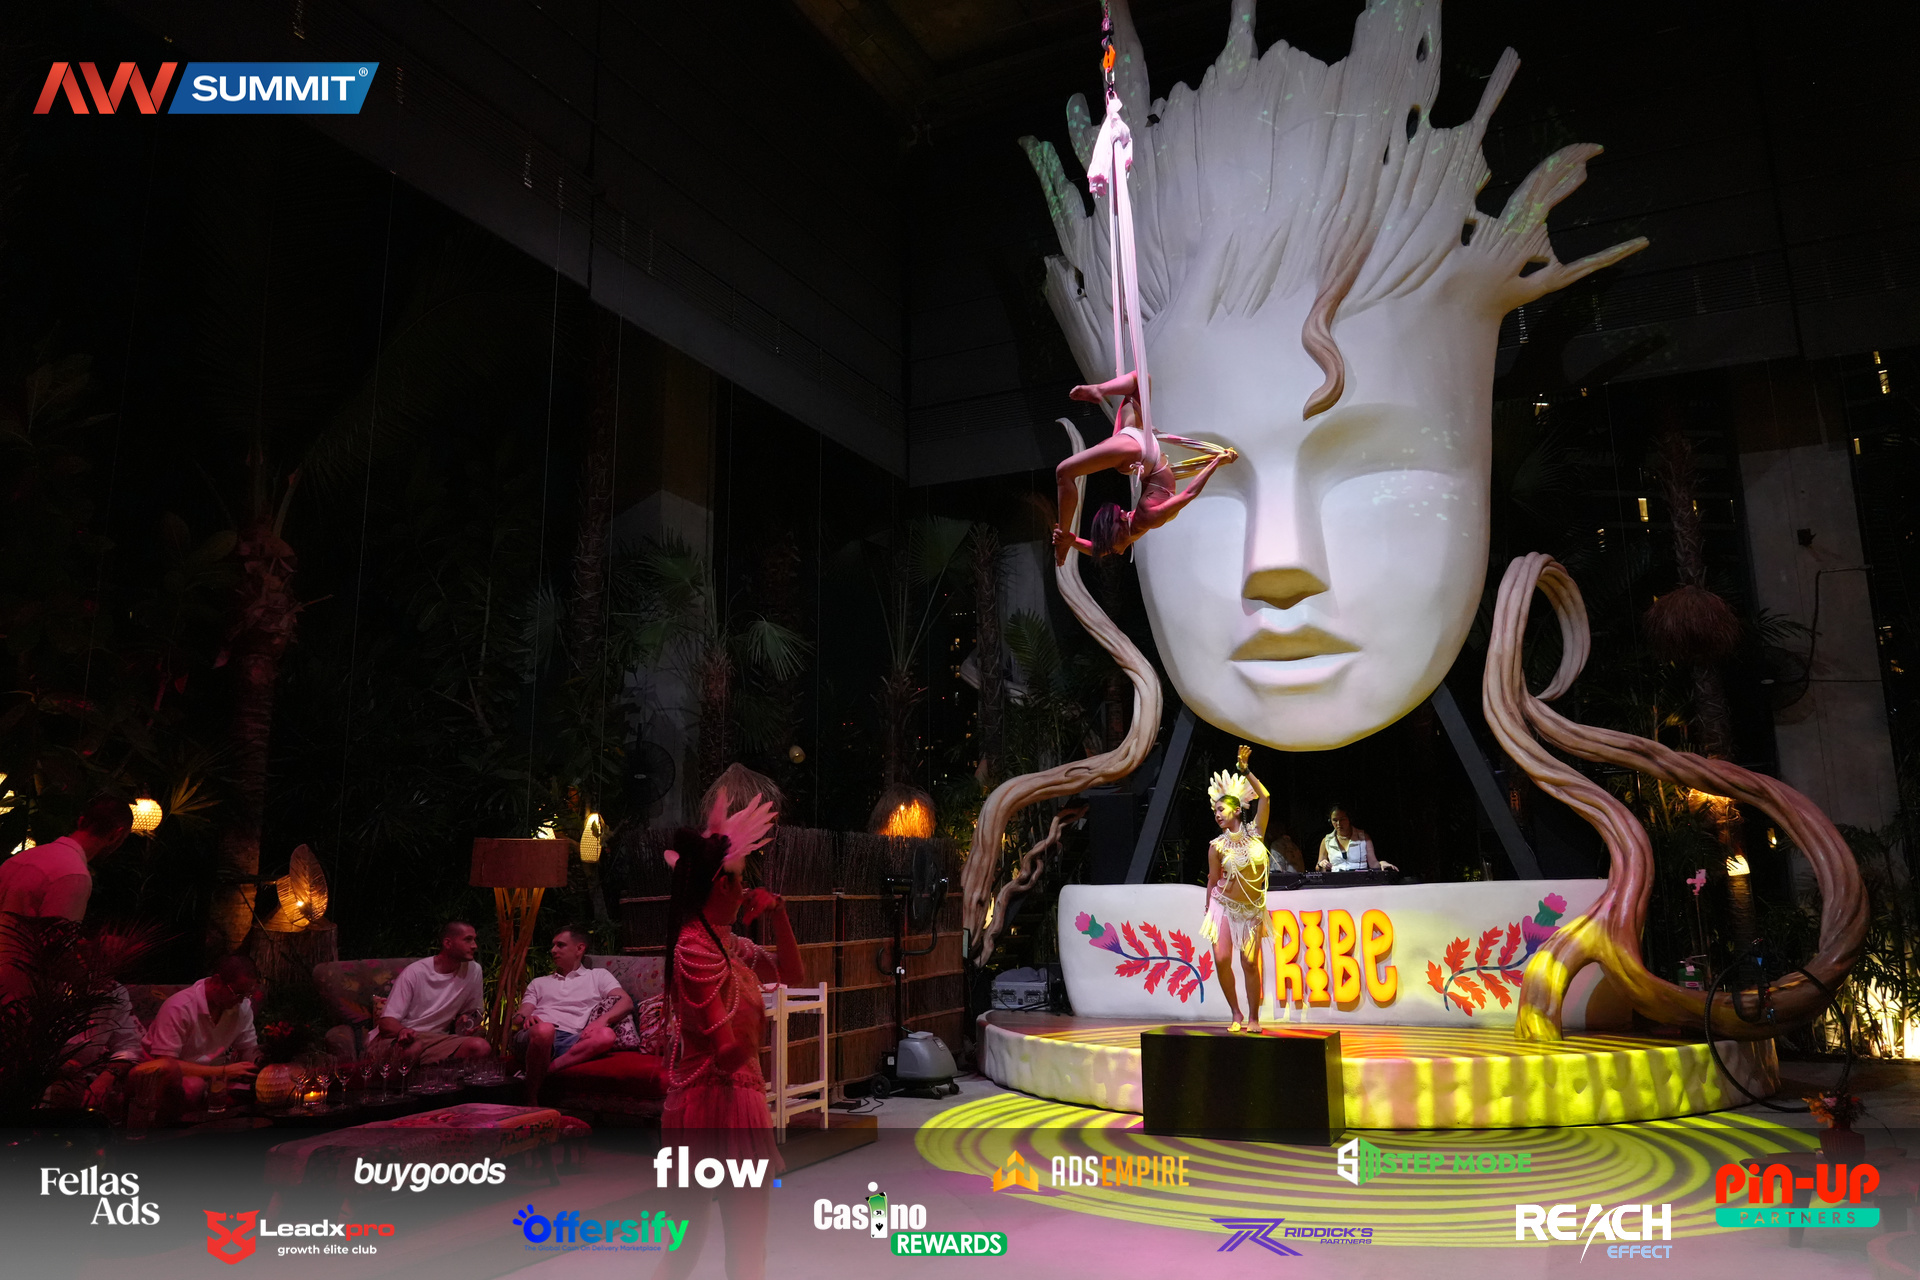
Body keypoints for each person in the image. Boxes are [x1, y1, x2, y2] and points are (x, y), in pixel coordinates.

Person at [653, 793, 802, 1280]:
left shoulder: (726, 942)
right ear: (721, 883)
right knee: (696, 1243)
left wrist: (779, 913)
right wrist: (748, 1037)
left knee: (742, 1246)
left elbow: (792, 976)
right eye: (740, 881)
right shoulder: (694, 949)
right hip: (712, 1103)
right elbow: (726, 1050)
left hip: (734, 1100)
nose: (745, 891)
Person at [1052, 370, 1236, 564]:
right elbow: (1189, 493)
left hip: (1142, 453)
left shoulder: (1132, 530)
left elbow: (1096, 549)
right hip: (1140, 453)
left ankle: (1100, 389)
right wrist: (1216, 461)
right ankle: (1100, 389)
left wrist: (1072, 541)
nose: (1114, 551)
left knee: (1141, 380)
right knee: (1064, 472)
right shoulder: (1146, 519)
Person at [126, 954, 261, 1126]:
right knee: (194, 1087)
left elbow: (249, 1049)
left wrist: (261, 1065)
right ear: (217, 982)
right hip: (164, 1077)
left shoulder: (241, 1007)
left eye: (247, 994)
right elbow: (167, 1064)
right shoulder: (179, 1007)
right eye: (237, 993)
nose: (241, 1000)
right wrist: (224, 1071)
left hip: (214, 1075)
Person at [511, 925, 630, 1103]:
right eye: (553, 945)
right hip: (535, 1036)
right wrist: (524, 1018)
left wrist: (602, 1021)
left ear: (579, 948)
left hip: (572, 1038)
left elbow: (625, 1001)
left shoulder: (598, 976)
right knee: (545, 1030)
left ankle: (543, 1073)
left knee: (606, 1035)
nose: (553, 950)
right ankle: (531, 1099)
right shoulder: (539, 982)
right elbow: (520, 1016)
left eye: (560, 945)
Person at [1200, 747, 1271, 1033]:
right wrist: (1208, 910)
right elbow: (1212, 879)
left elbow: (1265, 797)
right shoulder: (1216, 847)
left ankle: (1254, 1017)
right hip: (1223, 906)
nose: (1217, 814)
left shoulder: (1256, 833)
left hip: (1251, 910)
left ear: (1237, 810)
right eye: (1215, 811)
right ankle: (1235, 1012)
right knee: (1221, 959)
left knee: (1250, 963)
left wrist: (1245, 770)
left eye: (1221, 810)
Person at [369, 921, 491, 1064]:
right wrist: (402, 1031)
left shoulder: (474, 971)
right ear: (448, 943)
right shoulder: (416, 972)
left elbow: (470, 1012)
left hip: (438, 1039)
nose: (474, 946)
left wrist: (464, 1022)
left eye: (474, 940)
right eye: (468, 940)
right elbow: (386, 1022)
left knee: (481, 1047)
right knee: (412, 1049)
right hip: (400, 1038)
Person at [0, 796, 132, 925]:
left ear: (81, 821)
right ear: (116, 835)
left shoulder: (20, 858)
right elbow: (57, 937)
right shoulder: (74, 875)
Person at [1317, 806, 1398, 874]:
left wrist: (1381, 863)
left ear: (1349, 819)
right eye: (1335, 820)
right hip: (1337, 881)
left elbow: (1373, 864)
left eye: (1342, 819)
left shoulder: (1363, 837)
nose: (1338, 824)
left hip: (1361, 880)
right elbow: (1318, 867)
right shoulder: (1327, 840)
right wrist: (1321, 865)